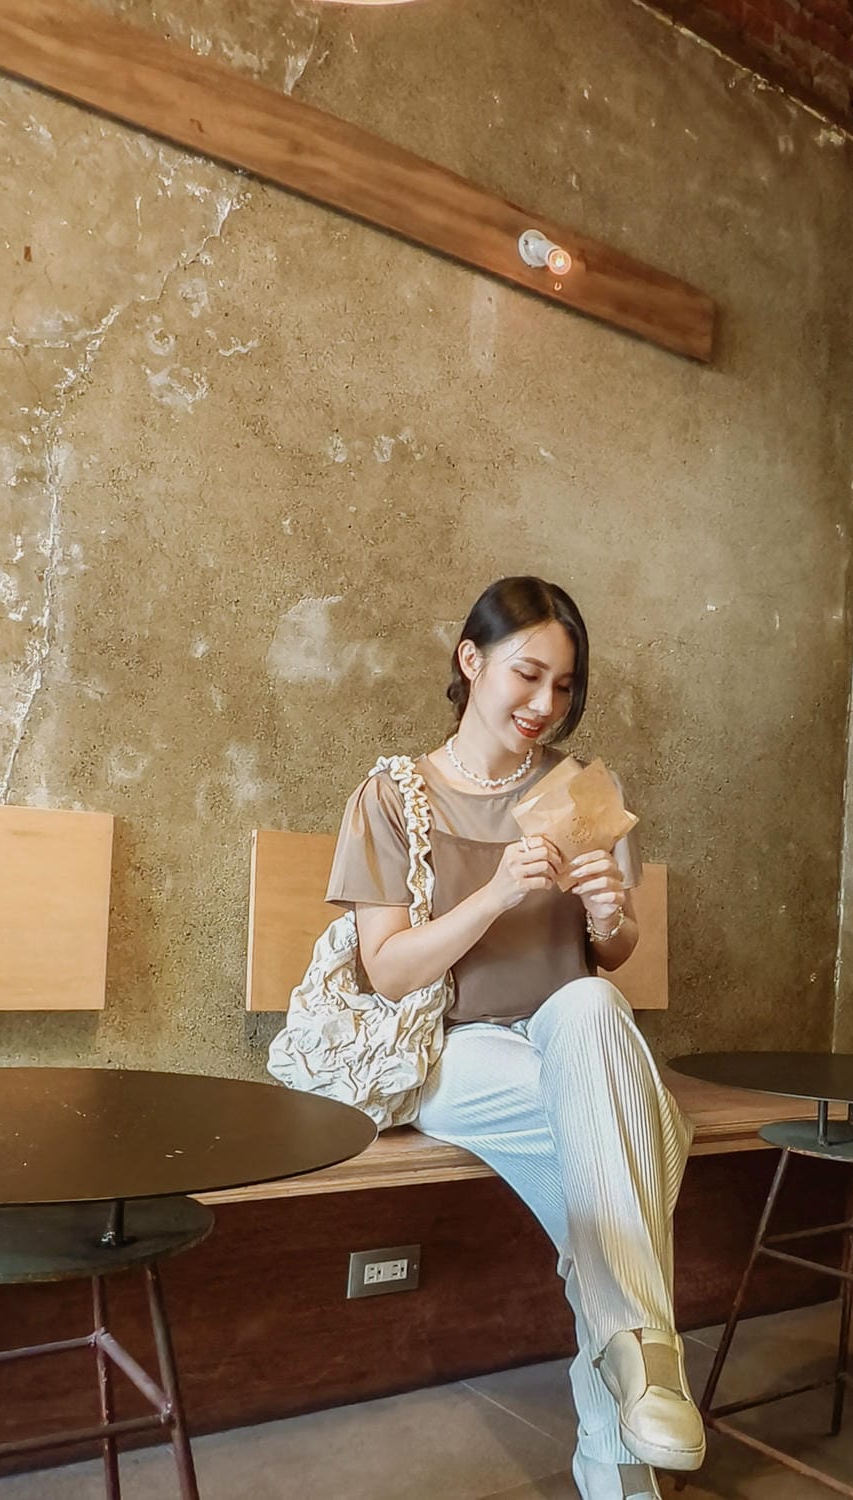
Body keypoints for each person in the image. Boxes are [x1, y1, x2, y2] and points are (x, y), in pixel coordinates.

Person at [325, 577, 704, 1500]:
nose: (545, 705)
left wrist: (611, 916)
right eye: (527, 676)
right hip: (452, 1050)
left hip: (575, 1042)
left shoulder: (584, 792)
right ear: (471, 661)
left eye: (564, 687)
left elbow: (607, 959)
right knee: (628, 1135)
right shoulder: (394, 795)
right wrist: (495, 892)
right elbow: (389, 971)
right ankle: (634, 1396)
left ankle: (628, 1372)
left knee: (588, 1010)